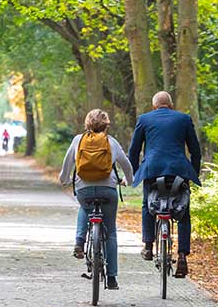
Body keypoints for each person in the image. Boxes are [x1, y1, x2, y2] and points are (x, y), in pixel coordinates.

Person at [128, 91, 201, 278]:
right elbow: (195, 150)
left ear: (154, 106)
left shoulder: (144, 119)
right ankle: (183, 255)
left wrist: (135, 173)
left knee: (147, 205)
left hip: (152, 170)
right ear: (171, 104)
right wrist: (193, 172)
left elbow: (134, 151)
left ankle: (148, 246)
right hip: (178, 170)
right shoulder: (184, 119)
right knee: (183, 212)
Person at [59, 109, 134, 290]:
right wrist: (128, 181)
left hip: (84, 190)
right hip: (108, 190)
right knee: (111, 233)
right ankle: (112, 277)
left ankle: (79, 241)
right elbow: (127, 166)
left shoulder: (78, 140)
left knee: (85, 208)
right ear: (106, 125)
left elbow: (67, 165)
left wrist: (65, 180)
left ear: (87, 124)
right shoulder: (111, 142)